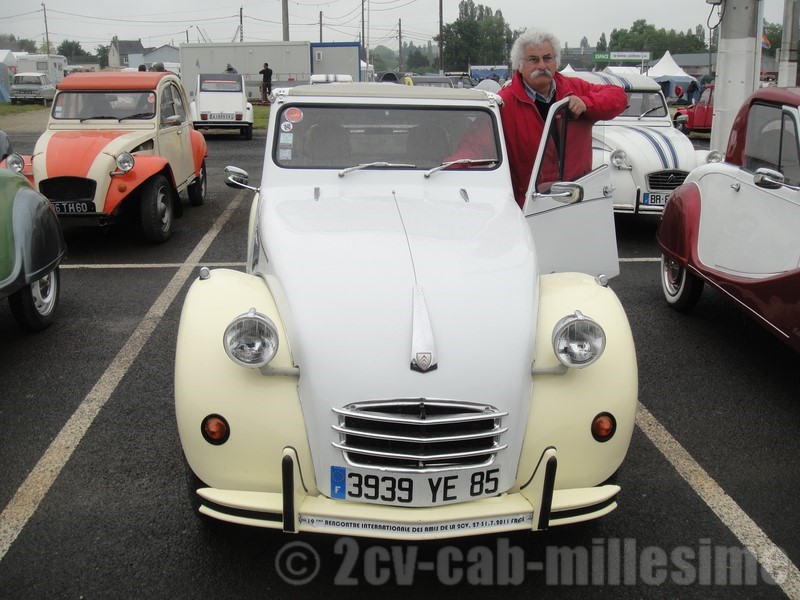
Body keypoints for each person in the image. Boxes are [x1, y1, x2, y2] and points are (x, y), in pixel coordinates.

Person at [498, 27, 627, 208]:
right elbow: (476, 148)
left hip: (575, 201)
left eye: (548, 58)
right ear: (519, 65)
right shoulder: (504, 102)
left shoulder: (575, 88)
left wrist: (587, 103)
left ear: (556, 61)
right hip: (529, 206)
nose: (542, 65)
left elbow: (618, 96)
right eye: (533, 60)